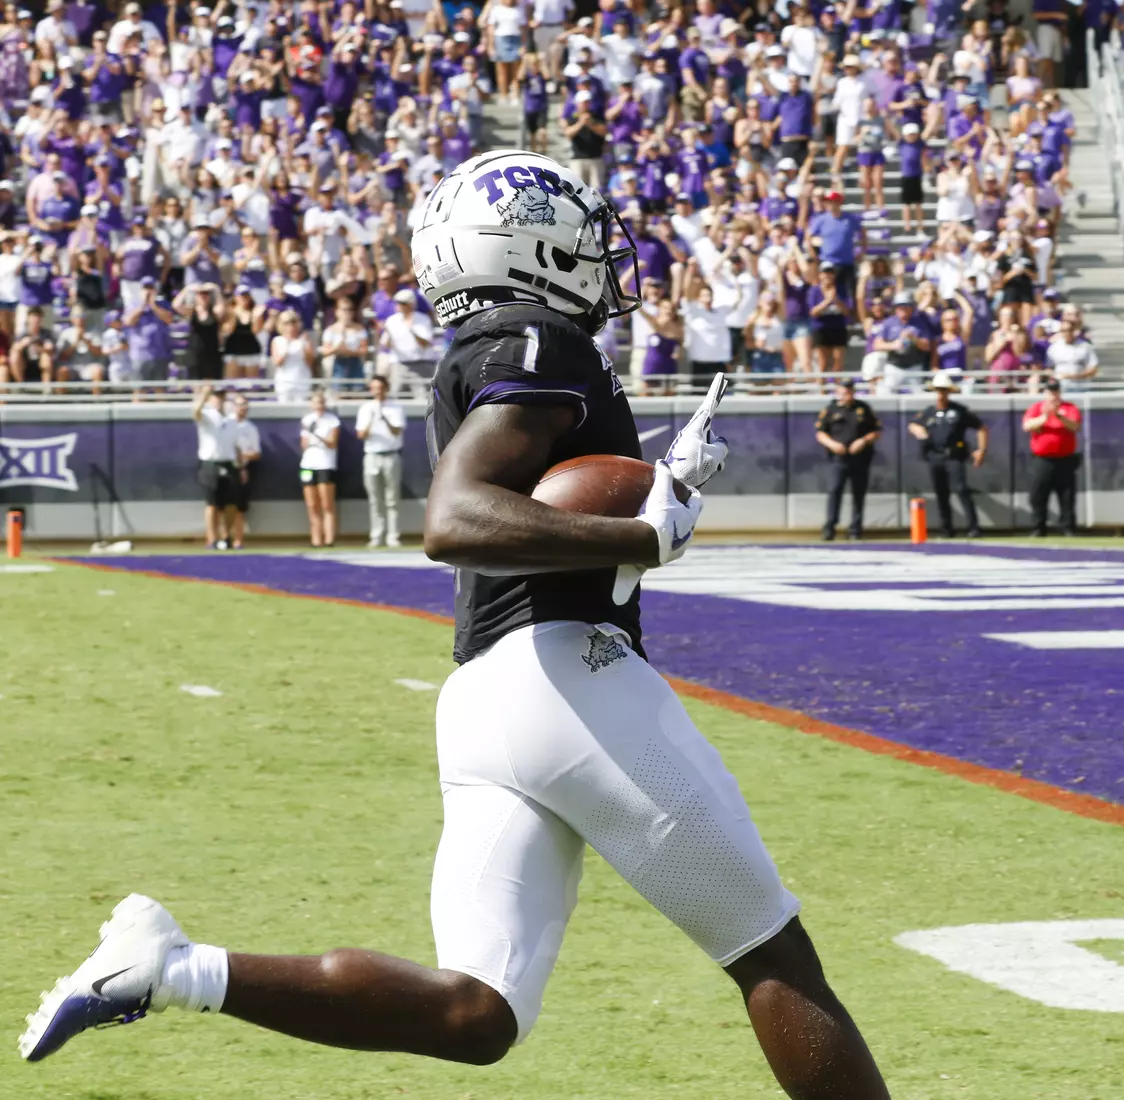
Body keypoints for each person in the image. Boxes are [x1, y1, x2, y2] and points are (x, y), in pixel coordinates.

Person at [19, 151, 890, 1100]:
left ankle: (174, 968)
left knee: (477, 1014)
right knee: (776, 957)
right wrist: (639, 529)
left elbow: (521, 497)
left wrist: (655, 490)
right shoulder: (539, 340)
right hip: (571, 677)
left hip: (486, 697)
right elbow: (456, 518)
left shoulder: (495, 349)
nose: (600, 258)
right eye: (580, 239)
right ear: (528, 246)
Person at [908, 371, 987, 538]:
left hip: (954, 456)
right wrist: (918, 430)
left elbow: (981, 427)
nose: (940, 394)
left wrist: (981, 449)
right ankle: (946, 528)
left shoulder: (959, 411)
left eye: (944, 390)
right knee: (941, 493)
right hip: (935, 456)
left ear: (949, 391)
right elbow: (913, 424)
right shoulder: (929, 412)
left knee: (961, 489)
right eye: (938, 390)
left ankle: (973, 527)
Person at [814, 378, 882, 541]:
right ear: (838, 391)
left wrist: (863, 441)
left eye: (850, 390)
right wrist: (832, 444)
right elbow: (820, 433)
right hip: (838, 458)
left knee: (859, 493)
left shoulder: (863, 408)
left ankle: (855, 528)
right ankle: (830, 526)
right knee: (835, 490)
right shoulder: (830, 410)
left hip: (860, 458)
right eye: (844, 390)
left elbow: (877, 431)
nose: (847, 393)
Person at [1022, 377, 1082, 536]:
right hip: (1043, 459)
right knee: (1038, 495)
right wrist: (1045, 417)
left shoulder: (1069, 408)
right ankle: (1038, 527)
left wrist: (1059, 416)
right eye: (1050, 392)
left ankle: (1068, 528)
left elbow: (1075, 425)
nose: (1053, 395)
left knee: (1067, 496)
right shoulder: (1036, 408)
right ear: (1045, 392)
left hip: (1065, 459)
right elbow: (1027, 425)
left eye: (1056, 391)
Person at [356, 375, 406, 549]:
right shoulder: (365, 408)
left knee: (392, 499)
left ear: (386, 388)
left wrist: (384, 419)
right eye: (374, 387)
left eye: (380, 387)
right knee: (375, 499)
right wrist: (371, 419)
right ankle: (376, 536)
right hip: (371, 456)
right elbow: (361, 435)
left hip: (391, 455)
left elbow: (397, 431)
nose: (377, 391)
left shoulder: (396, 407)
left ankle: (393, 536)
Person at [191, 383, 240, 551]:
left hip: (229, 462)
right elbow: (195, 412)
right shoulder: (207, 415)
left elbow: (235, 444)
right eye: (216, 396)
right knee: (211, 503)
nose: (219, 399)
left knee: (231, 503)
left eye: (221, 396)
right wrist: (203, 395)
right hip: (211, 462)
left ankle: (226, 536)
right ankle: (212, 539)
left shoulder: (231, 419)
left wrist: (240, 465)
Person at [299, 391, 341, 549]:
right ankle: (316, 540)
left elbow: (332, 443)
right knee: (311, 504)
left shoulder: (332, 420)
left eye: (322, 402)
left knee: (327, 504)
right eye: (316, 402)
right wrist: (309, 436)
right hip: (307, 465)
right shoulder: (307, 419)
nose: (319, 406)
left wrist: (315, 434)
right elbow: (303, 444)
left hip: (325, 464)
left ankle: (329, 539)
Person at [230, 394, 260, 551]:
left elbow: (256, 453)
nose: (243, 409)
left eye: (246, 406)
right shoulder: (224, 423)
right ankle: (220, 539)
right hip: (224, 467)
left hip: (241, 469)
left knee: (239, 507)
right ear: (233, 406)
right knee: (221, 505)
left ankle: (238, 540)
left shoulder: (251, 428)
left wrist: (242, 459)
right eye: (241, 405)